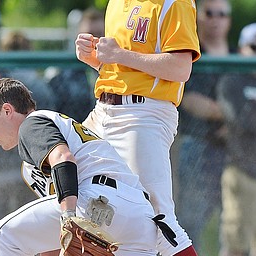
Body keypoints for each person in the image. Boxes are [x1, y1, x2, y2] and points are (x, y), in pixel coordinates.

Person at [0, 77, 159, 256]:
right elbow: (50, 237)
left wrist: (69, 217)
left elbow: (63, 158)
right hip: (140, 218)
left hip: (94, 200)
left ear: (7, 111)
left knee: (5, 235)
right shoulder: (49, 135)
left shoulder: (32, 123)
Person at [75, 1, 201, 255]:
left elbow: (180, 68)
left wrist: (118, 55)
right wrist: (98, 62)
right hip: (103, 110)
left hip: (144, 114)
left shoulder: (174, 3)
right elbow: (128, 70)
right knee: (72, 189)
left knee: (158, 220)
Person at [174, 0, 233, 250]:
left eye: (222, 14)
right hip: (195, 146)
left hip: (235, 151)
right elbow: (190, 100)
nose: (216, 19)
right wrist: (234, 115)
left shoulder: (239, 55)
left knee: (233, 222)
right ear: (198, 17)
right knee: (190, 219)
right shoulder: (191, 52)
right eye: (210, 13)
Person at [216, 23, 256, 256]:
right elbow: (244, 122)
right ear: (242, 49)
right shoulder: (232, 81)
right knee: (236, 247)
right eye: (254, 46)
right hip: (243, 173)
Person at [46, 7, 105, 122]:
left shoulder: (116, 69)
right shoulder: (61, 74)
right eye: (90, 36)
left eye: (100, 35)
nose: (95, 41)